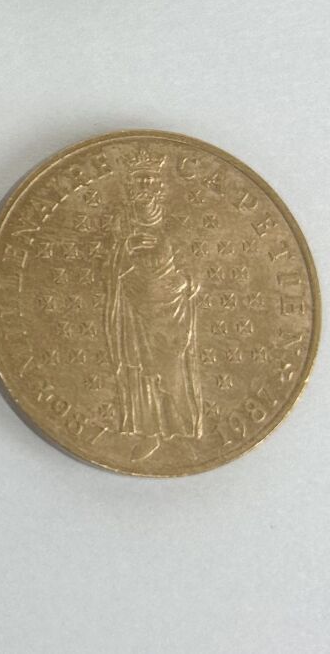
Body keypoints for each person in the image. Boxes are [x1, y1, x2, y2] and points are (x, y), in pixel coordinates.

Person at [106, 154, 204, 451]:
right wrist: (126, 248)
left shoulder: (174, 224)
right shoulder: (122, 224)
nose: (145, 185)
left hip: (171, 311)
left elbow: (193, 271)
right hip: (134, 308)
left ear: (160, 186)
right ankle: (147, 431)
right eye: (139, 180)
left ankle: (181, 431)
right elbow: (111, 271)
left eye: (150, 180)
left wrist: (182, 282)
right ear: (130, 186)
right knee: (138, 368)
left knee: (172, 370)